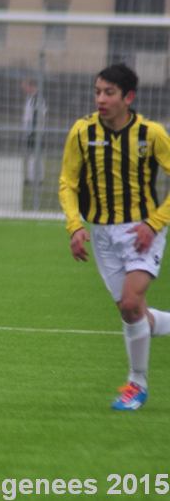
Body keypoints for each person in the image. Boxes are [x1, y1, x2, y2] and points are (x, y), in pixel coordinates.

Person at [58, 63, 170, 411]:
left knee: (131, 301)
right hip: (103, 234)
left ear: (128, 97)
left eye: (109, 93)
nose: (101, 99)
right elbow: (68, 182)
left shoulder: (151, 134)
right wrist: (74, 226)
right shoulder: (81, 131)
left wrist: (154, 223)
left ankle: (137, 384)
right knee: (130, 310)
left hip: (141, 230)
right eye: (97, 92)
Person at [21, 77, 47, 183]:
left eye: (26, 86)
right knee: (35, 155)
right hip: (32, 132)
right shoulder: (32, 99)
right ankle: (37, 178)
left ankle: (34, 178)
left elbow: (37, 116)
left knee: (35, 155)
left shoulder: (36, 99)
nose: (24, 89)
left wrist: (33, 131)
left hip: (35, 132)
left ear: (31, 86)